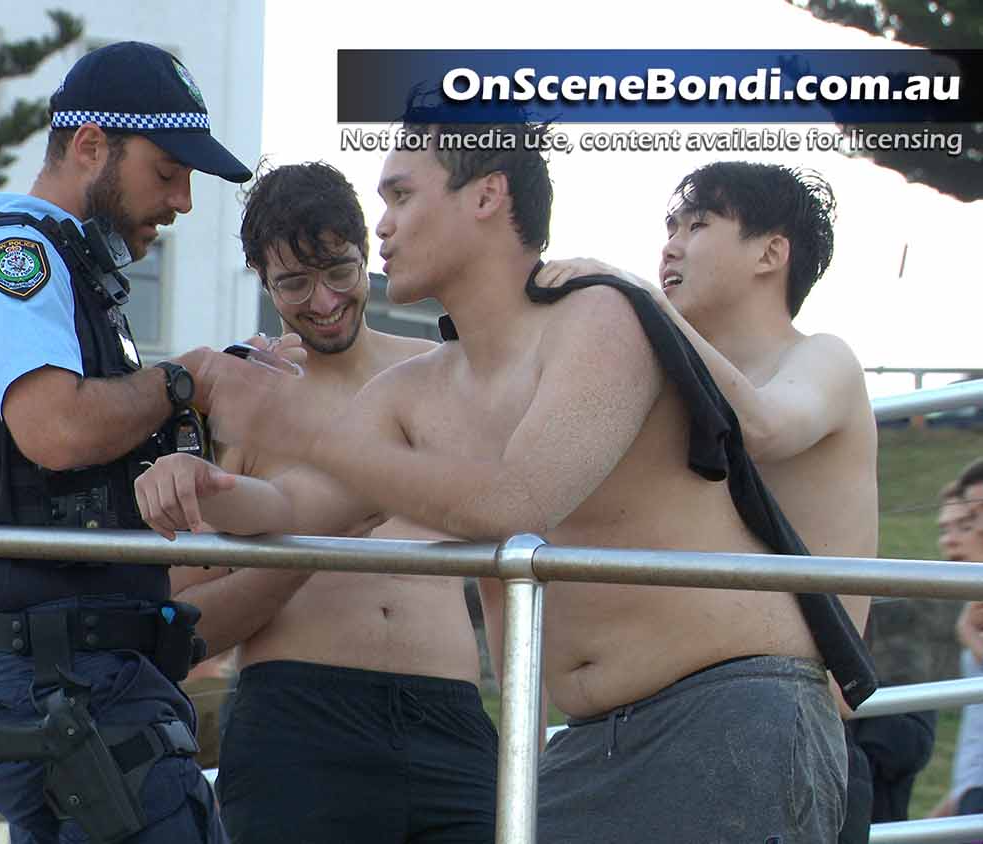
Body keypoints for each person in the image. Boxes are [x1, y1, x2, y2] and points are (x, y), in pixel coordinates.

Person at [140, 119, 849, 841]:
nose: (382, 226)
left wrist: (298, 429)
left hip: (724, 712)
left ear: (486, 195)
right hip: (585, 739)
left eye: (401, 195)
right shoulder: (419, 386)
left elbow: (522, 502)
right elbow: (299, 502)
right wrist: (200, 484)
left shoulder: (598, 313)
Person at [0, 41, 252, 844]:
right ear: (91, 144)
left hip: (80, 674)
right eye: (168, 172)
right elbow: (55, 430)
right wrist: (183, 379)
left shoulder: (74, 269)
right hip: (69, 680)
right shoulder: (13, 255)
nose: (184, 201)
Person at [141, 161, 496, 843]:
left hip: (453, 719)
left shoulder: (445, 373)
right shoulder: (238, 399)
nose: (325, 300)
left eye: (340, 271)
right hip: (299, 724)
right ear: (261, 280)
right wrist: (301, 554)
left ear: (368, 257)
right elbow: (181, 624)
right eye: (294, 283)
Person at [534, 161, 881, 839]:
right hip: (615, 729)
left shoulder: (821, 359)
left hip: (767, 726)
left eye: (697, 225)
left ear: (771, 252)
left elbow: (766, 427)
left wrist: (638, 300)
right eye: (668, 228)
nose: (669, 246)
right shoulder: (667, 373)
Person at [934, 460, 983, 821]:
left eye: (965, 524)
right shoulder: (973, 606)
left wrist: (969, 637)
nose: (952, 538)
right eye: (945, 528)